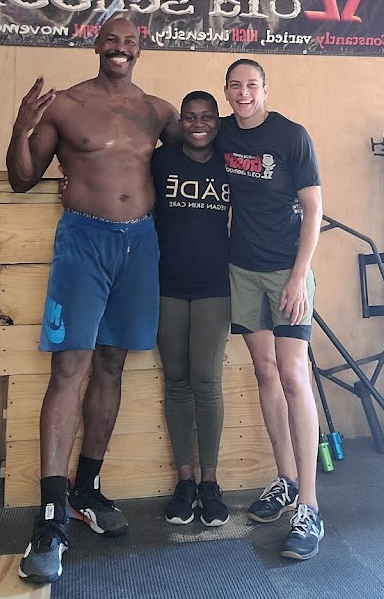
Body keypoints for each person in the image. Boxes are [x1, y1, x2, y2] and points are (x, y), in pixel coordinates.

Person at [6, 17, 180, 584]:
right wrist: (20, 128)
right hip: (83, 242)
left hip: (141, 244)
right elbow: (22, 178)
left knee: (111, 364)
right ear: (95, 43)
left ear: (140, 49)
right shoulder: (65, 105)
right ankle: (51, 516)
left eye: (130, 41)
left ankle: (87, 489)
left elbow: (206, 150)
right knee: (69, 369)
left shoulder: (160, 112)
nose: (120, 48)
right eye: (111, 39)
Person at [216, 58, 324, 561]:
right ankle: (285, 479)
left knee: (293, 374)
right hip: (242, 270)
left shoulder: (291, 136)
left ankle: (310, 505)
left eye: (252, 85)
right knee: (265, 371)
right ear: (226, 91)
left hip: (286, 271)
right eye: (235, 86)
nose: (244, 93)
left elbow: (314, 208)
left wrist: (300, 276)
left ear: (265, 89)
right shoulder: (220, 134)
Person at [151, 91, 232, 528]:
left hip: (214, 286)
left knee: (207, 381)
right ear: (180, 123)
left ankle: (209, 484)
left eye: (207, 116)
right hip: (167, 285)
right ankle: (185, 483)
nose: (198, 124)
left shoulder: (230, 163)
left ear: (218, 121)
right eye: (190, 117)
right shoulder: (161, 160)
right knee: (177, 382)